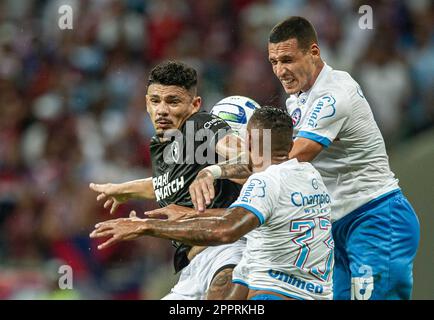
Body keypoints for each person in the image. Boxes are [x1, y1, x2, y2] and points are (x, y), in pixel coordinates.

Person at [188, 17, 420, 300]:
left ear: (314, 52)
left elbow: (283, 162)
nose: (280, 70)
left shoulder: (333, 95)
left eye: (287, 59)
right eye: (273, 62)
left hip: (374, 216)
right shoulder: (297, 99)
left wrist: (216, 169)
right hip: (334, 227)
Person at [90, 107, 334, 300]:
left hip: (273, 293)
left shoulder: (264, 183)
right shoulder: (311, 177)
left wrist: (147, 227)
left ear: (247, 142)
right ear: (290, 145)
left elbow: (225, 230)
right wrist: (211, 173)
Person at [89, 60, 250, 300]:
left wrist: (213, 172)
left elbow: (250, 161)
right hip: (191, 270)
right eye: (155, 101)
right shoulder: (161, 145)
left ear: (195, 105)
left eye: (173, 101)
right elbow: (170, 183)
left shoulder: (200, 125)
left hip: (226, 253)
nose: (162, 110)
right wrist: (125, 189)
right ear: (146, 103)